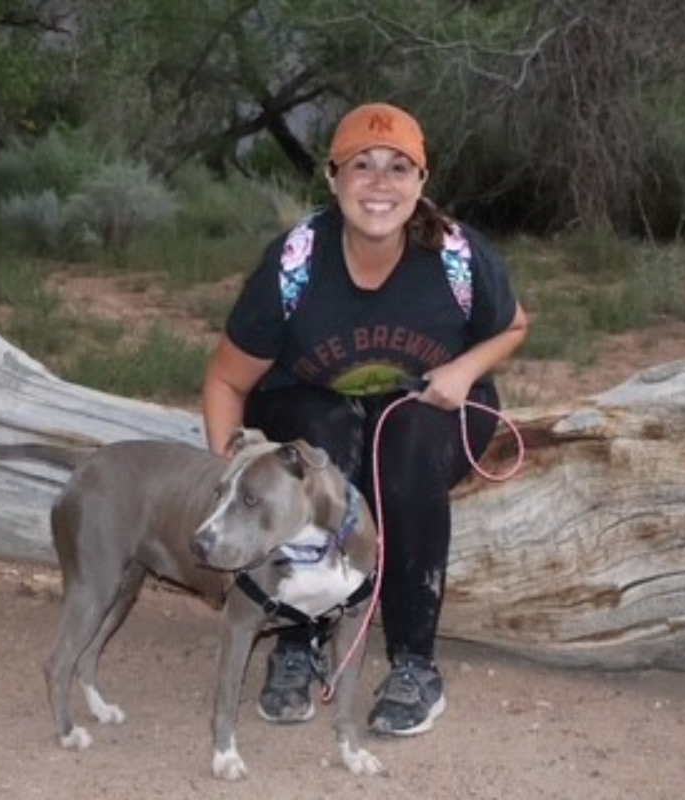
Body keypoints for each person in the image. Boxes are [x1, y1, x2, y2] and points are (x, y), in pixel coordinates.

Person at [201, 102, 528, 736]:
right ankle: (301, 639)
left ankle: (414, 663)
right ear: (332, 178)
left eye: (398, 167)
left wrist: (463, 371)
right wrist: (228, 480)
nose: (380, 183)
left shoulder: (457, 256)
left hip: (434, 406)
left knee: (402, 452)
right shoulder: (296, 264)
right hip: (310, 404)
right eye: (362, 165)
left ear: (421, 181)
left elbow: (514, 326)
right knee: (320, 445)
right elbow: (225, 379)